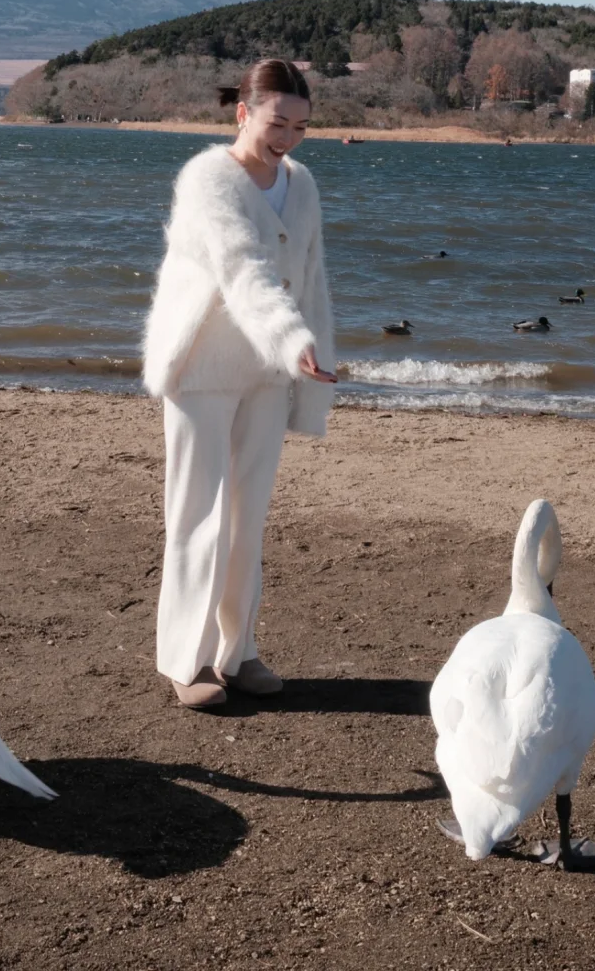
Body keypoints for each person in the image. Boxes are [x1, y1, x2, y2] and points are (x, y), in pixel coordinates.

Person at [143, 58, 337, 710]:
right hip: (203, 366)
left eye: (301, 127)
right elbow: (242, 271)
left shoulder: (302, 183)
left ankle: (237, 651)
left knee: (247, 517)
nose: (287, 137)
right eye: (277, 122)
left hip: (268, 373)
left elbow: (310, 277)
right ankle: (185, 659)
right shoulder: (207, 179)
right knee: (197, 514)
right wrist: (293, 339)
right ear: (243, 113)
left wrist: (312, 355)